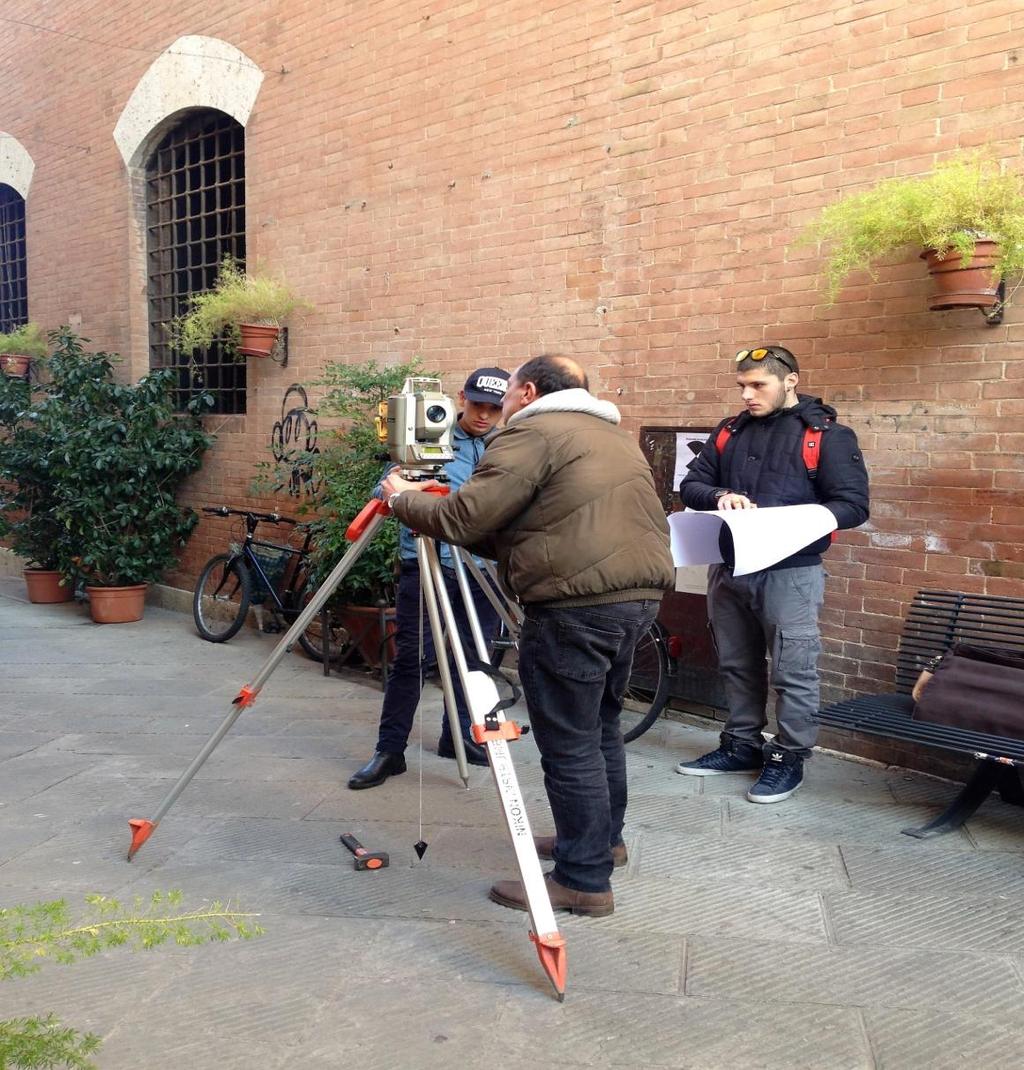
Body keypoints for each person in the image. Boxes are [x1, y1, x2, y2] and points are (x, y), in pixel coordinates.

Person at [383, 354, 674, 917]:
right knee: (601, 727)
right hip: (635, 599)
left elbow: (465, 520)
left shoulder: (533, 432)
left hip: (575, 606)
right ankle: (599, 845)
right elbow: (531, 528)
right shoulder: (611, 436)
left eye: (509, 393)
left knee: (569, 742)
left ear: (528, 392)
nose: (503, 406)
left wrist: (400, 498)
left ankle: (583, 881)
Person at [676, 345, 870, 803]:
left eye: (758, 384)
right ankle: (742, 745)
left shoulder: (827, 435)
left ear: (790, 381)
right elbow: (692, 485)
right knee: (736, 663)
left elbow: (853, 506)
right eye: (741, 385)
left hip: (791, 573)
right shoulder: (728, 432)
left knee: (793, 669)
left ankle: (789, 758)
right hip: (729, 567)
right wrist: (720, 493)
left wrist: (786, 520)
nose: (747, 394)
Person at [347, 367, 509, 790]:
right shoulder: (426, 434)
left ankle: (459, 738)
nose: (484, 415)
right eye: (478, 405)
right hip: (425, 564)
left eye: (495, 409)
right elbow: (383, 489)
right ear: (462, 398)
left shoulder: (506, 448)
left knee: (474, 662)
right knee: (410, 662)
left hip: (479, 570)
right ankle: (390, 750)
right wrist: (399, 487)